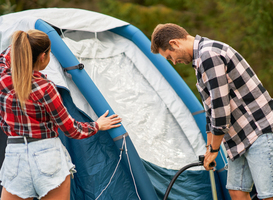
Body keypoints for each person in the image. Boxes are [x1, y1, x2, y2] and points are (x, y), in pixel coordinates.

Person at [150, 23, 273, 200]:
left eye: (170, 57)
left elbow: (221, 110)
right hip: (239, 138)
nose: (174, 62)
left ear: (175, 43)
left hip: (258, 131)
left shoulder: (209, 55)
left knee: (268, 195)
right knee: (237, 192)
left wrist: (215, 149)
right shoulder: (200, 61)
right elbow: (210, 112)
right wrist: (209, 149)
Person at [0, 29, 122, 200]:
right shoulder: (45, 88)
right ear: (43, 56)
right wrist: (97, 125)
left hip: (15, 155)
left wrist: (23, 41)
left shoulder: (2, 79)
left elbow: (4, 58)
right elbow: (71, 129)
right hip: (47, 156)